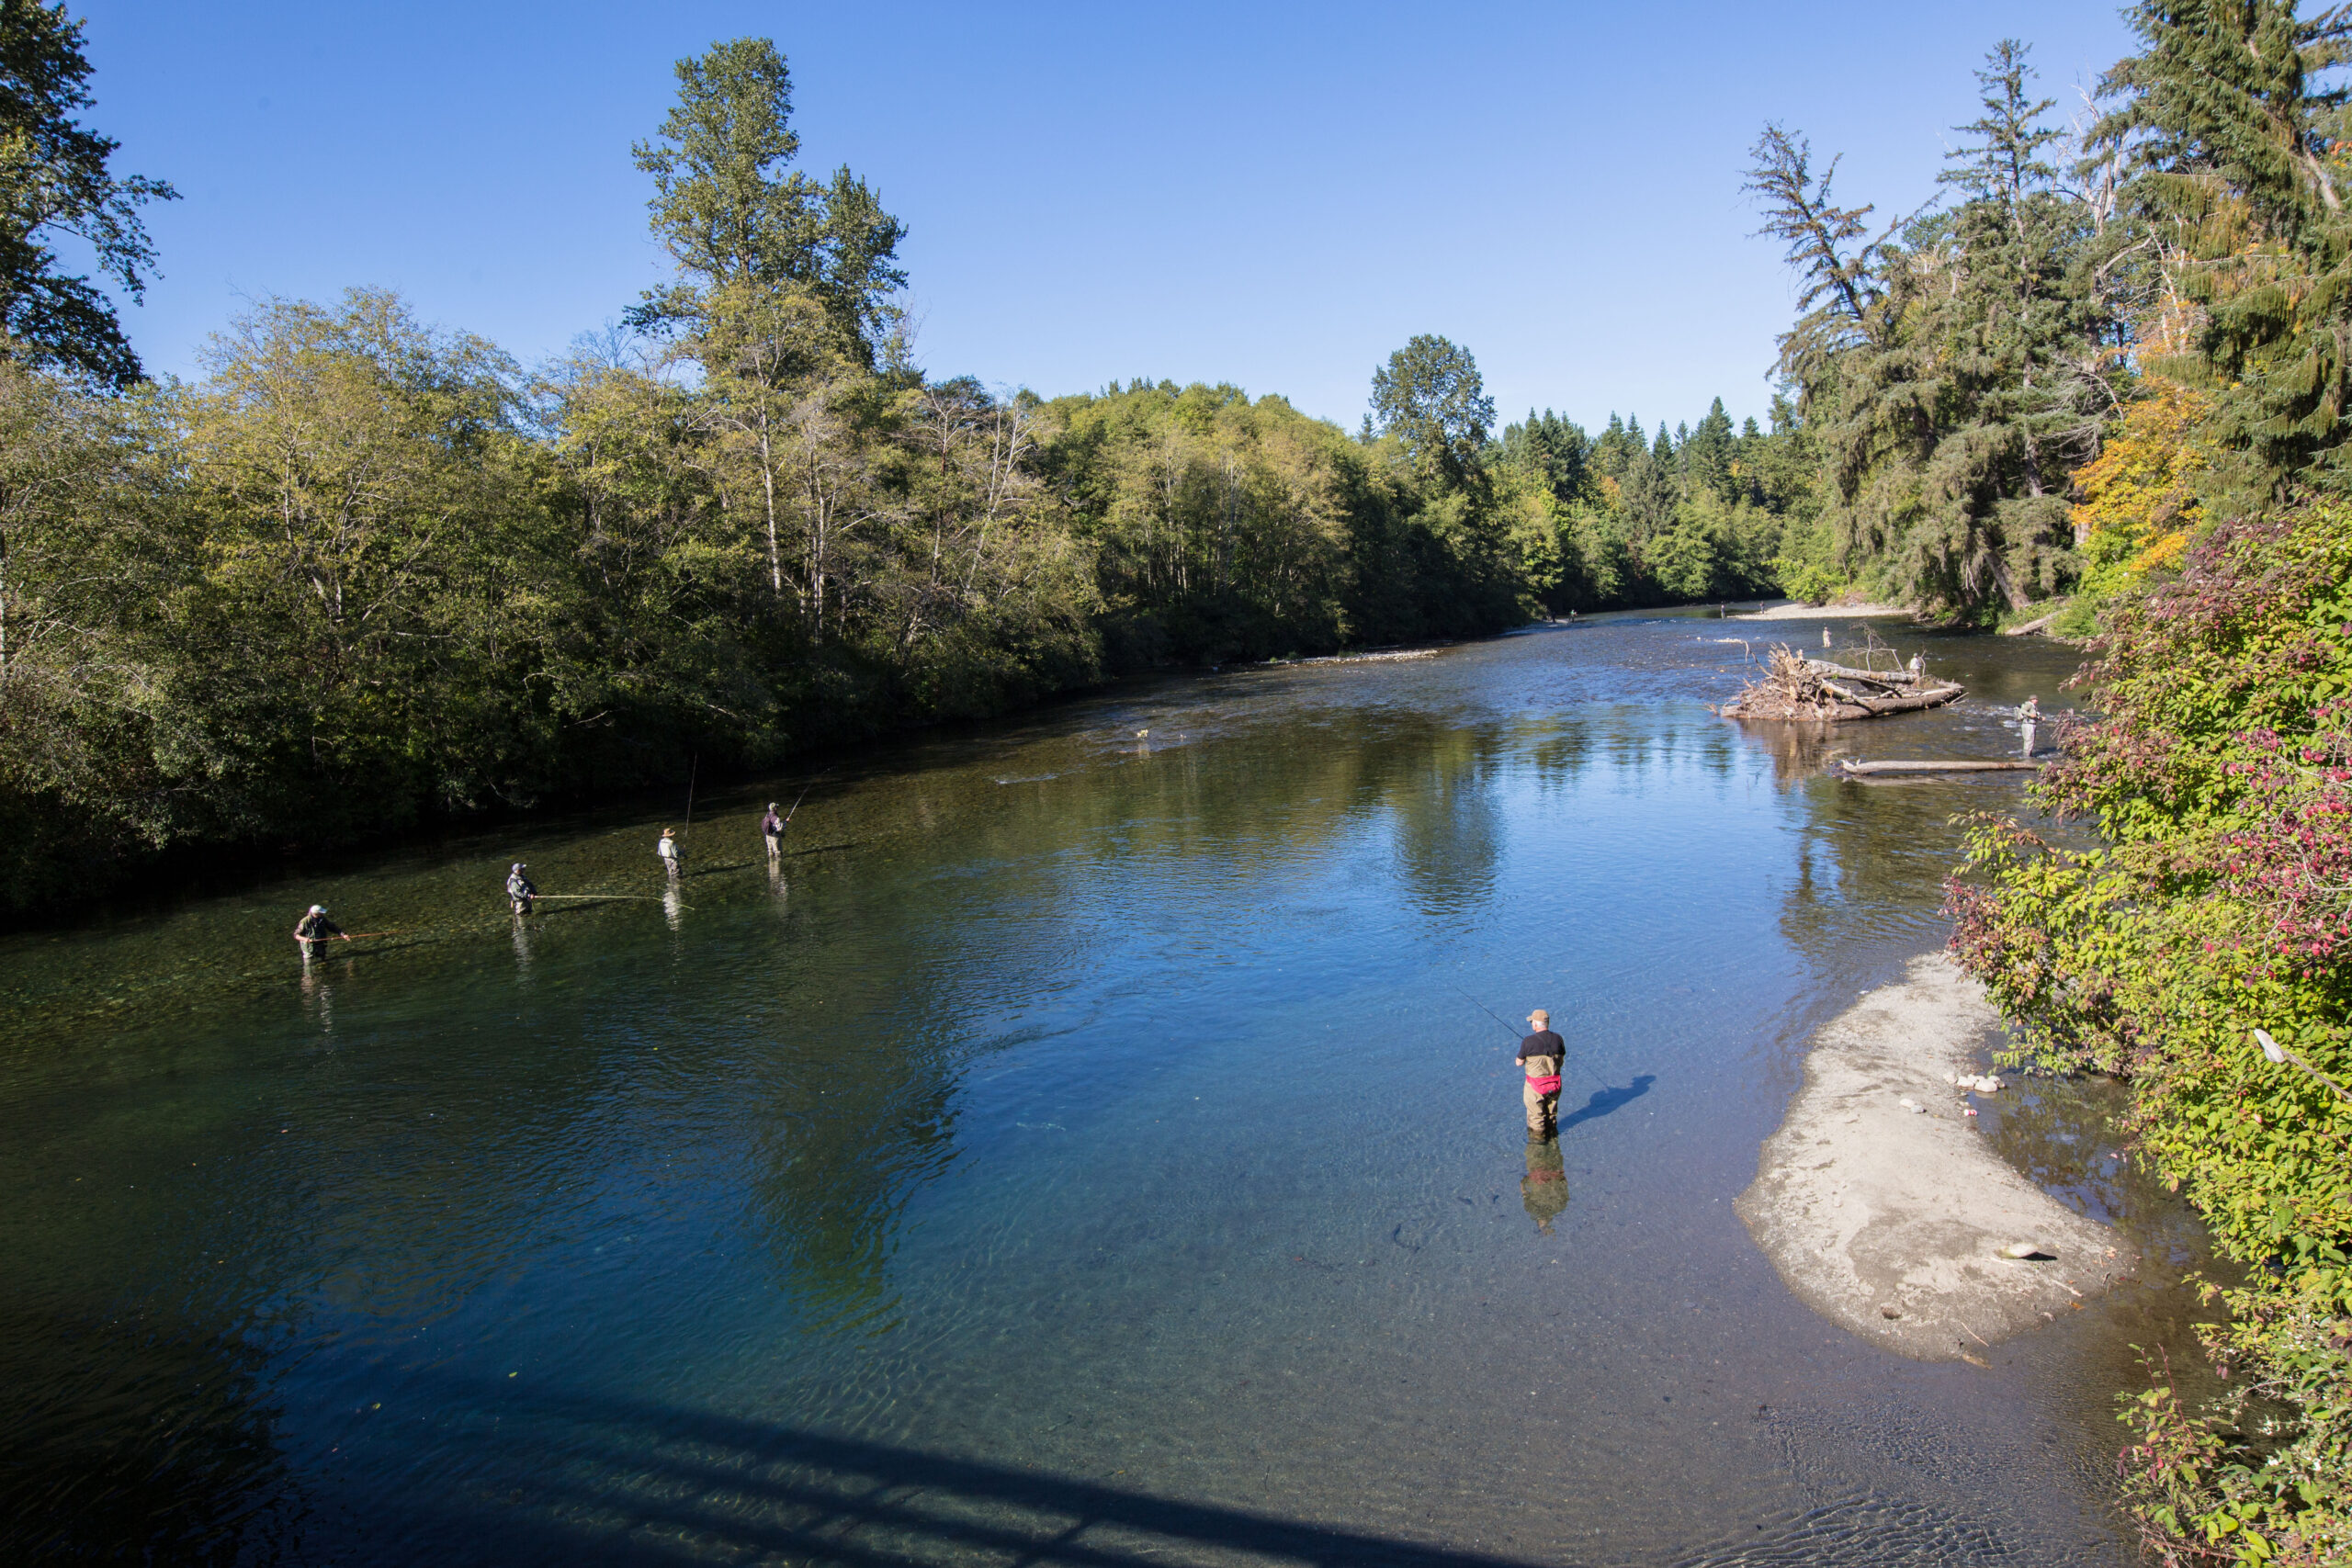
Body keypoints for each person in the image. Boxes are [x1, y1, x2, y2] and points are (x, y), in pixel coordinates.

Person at [1519, 1009, 1565, 1143]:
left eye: (1532, 1021)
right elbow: (1561, 1059)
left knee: (1536, 1118)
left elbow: (1519, 1062)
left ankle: (1538, 1147)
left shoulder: (1528, 1041)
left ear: (1536, 1024)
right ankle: (1553, 1140)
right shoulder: (1558, 1039)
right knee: (1551, 1114)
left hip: (1535, 1087)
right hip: (1555, 1084)